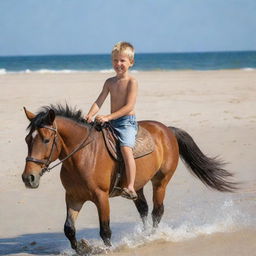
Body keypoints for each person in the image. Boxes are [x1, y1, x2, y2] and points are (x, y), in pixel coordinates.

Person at [85, 42, 138, 200]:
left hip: (126, 122)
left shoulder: (131, 82)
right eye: (115, 60)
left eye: (122, 60)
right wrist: (90, 114)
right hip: (112, 122)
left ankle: (130, 186)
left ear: (131, 63)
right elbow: (99, 101)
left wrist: (108, 117)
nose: (118, 64)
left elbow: (129, 107)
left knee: (126, 148)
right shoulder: (109, 82)